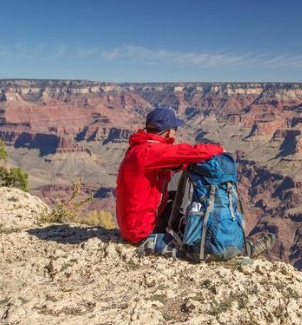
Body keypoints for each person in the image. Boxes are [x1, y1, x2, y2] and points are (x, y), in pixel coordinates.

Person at [116, 107, 276, 258]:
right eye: (175, 129)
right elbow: (188, 152)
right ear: (168, 131)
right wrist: (220, 150)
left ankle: (207, 233)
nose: (175, 134)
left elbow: (179, 162)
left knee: (181, 200)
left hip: (138, 220)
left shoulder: (141, 148)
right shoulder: (148, 152)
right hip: (139, 231)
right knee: (196, 251)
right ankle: (240, 250)